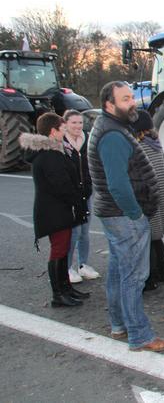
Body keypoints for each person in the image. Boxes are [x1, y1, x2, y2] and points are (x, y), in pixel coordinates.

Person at [88, 81, 164, 352]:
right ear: (109, 105)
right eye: (125, 99)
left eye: (131, 97)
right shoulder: (112, 135)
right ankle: (139, 335)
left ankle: (119, 324)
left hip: (114, 213)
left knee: (118, 271)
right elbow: (117, 184)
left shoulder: (112, 127)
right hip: (124, 215)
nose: (132, 103)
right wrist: (136, 214)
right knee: (133, 276)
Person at [21, 113, 89, 307]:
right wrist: (77, 199)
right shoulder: (49, 155)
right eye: (62, 129)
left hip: (58, 210)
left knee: (63, 248)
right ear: (53, 131)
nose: (65, 131)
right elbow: (61, 184)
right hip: (54, 211)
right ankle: (58, 294)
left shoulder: (53, 152)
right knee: (59, 250)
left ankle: (66, 288)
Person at [132, 110, 164, 291]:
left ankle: (150, 277)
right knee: (156, 235)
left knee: (147, 236)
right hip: (160, 194)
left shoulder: (139, 147)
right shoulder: (155, 143)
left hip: (148, 196)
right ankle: (163, 269)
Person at [63, 109, 99, 283]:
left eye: (80, 123)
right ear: (66, 124)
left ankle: (83, 265)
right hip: (71, 195)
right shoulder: (61, 143)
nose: (78, 126)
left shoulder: (88, 139)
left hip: (87, 192)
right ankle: (68, 268)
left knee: (85, 231)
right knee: (74, 232)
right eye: (74, 123)